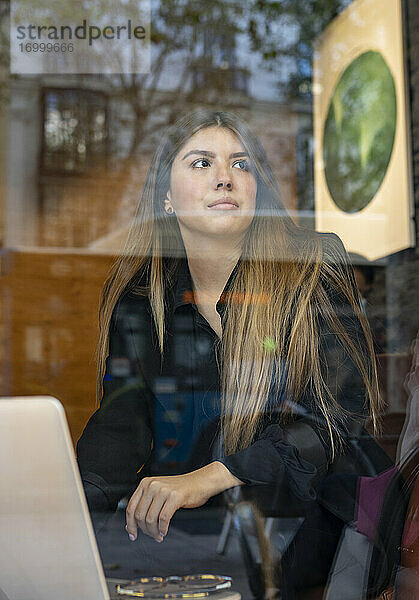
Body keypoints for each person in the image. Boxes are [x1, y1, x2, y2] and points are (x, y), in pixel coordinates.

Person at [76, 110, 389, 598]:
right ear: (165, 196)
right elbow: (121, 429)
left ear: (256, 190)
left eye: (241, 165)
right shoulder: (141, 298)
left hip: (308, 529)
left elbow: (339, 417)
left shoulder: (310, 265)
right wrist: (65, 508)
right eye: (201, 163)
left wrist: (209, 478)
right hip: (198, 539)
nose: (224, 177)